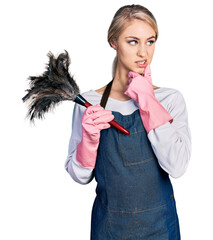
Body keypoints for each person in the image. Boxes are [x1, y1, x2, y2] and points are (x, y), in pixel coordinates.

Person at [65, 4, 191, 240]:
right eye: (133, 41)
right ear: (114, 42)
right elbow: (80, 176)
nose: (144, 53)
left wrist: (148, 102)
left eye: (150, 41)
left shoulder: (170, 99)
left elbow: (177, 166)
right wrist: (89, 140)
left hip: (161, 229)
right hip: (110, 229)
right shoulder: (89, 103)